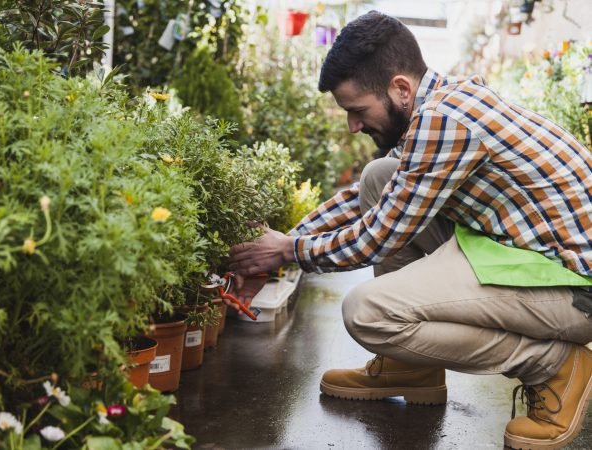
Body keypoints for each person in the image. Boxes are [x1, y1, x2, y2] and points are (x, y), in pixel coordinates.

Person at [228, 10, 592, 450]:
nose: (353, 125)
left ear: (400, 87)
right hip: (529, 256)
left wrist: (288, 253)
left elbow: (376, 237)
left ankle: (554, 365)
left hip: (576, 288)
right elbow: (382, 199)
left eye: (357, 110)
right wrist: (277, 248)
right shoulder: (440, 105)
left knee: (368, 312)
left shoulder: (445, 120)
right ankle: (411, 366)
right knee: (378, 176)